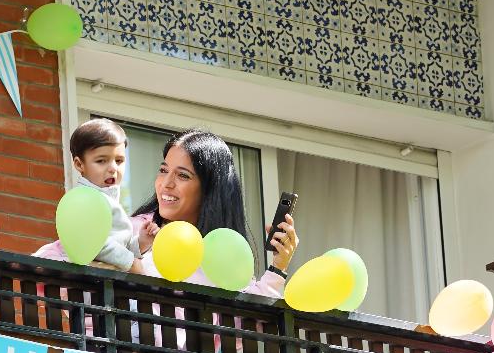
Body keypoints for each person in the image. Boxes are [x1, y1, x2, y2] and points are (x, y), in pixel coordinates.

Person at [36, 128, 298, 296]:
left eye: (182, 175)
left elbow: (251, 324)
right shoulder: (137, 229)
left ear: (209, 190)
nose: (166, 184)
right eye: (163, 170)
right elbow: (49, 257)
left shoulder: (220, 256)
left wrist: (279, 266)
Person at [35, 119, 156, 272]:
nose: (113, 168)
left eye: (119, 161)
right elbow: (92, 243)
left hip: (107, 286)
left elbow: (116, 247)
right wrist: (130, 262)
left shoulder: (108, 199)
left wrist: (140, 243)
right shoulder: (83, 199)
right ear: (79, 164)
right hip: (86, 286)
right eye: (101, 161)